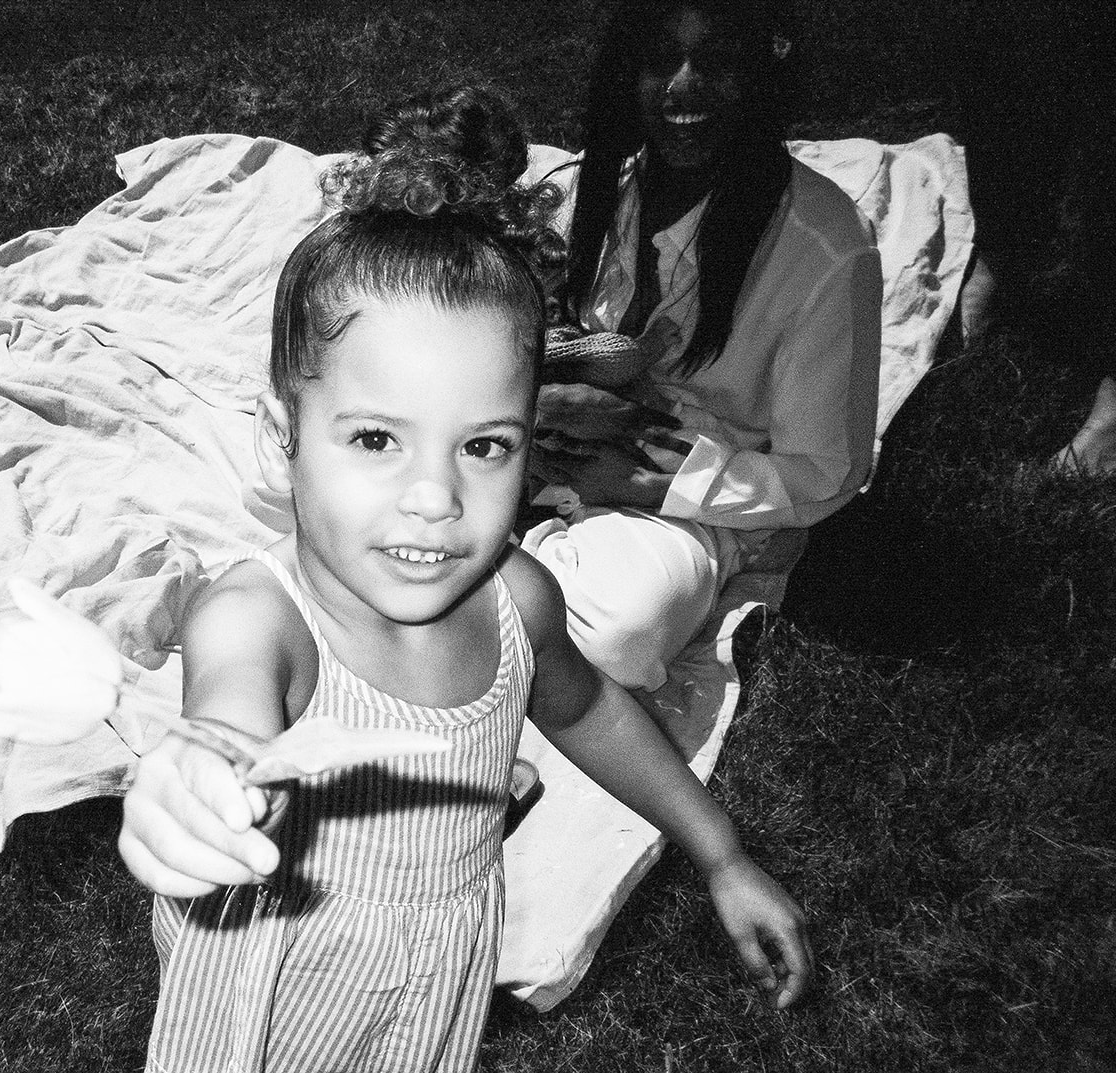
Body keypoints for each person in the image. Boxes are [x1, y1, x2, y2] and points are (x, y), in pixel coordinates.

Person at [119, 87, 814, 1073]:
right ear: (285, 437)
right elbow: (222, 724)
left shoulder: (515, 597)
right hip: (267, 980)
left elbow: (589, 710)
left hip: (437, 959)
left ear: (533, 440)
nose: (435, 496)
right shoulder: (259, 616)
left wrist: (720, 850)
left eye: (482, 444)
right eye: (374, 438)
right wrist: (191, 785)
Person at [523, 0, 883, 692]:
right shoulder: (594, 190)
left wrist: (646, 485)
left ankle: (500, 575)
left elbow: (825, 468)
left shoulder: (828, 248)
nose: (682, 88)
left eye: (715, 61)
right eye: (660, 59)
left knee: (617, 639)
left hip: (696, 491)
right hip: (558, 439)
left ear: (759, 73)